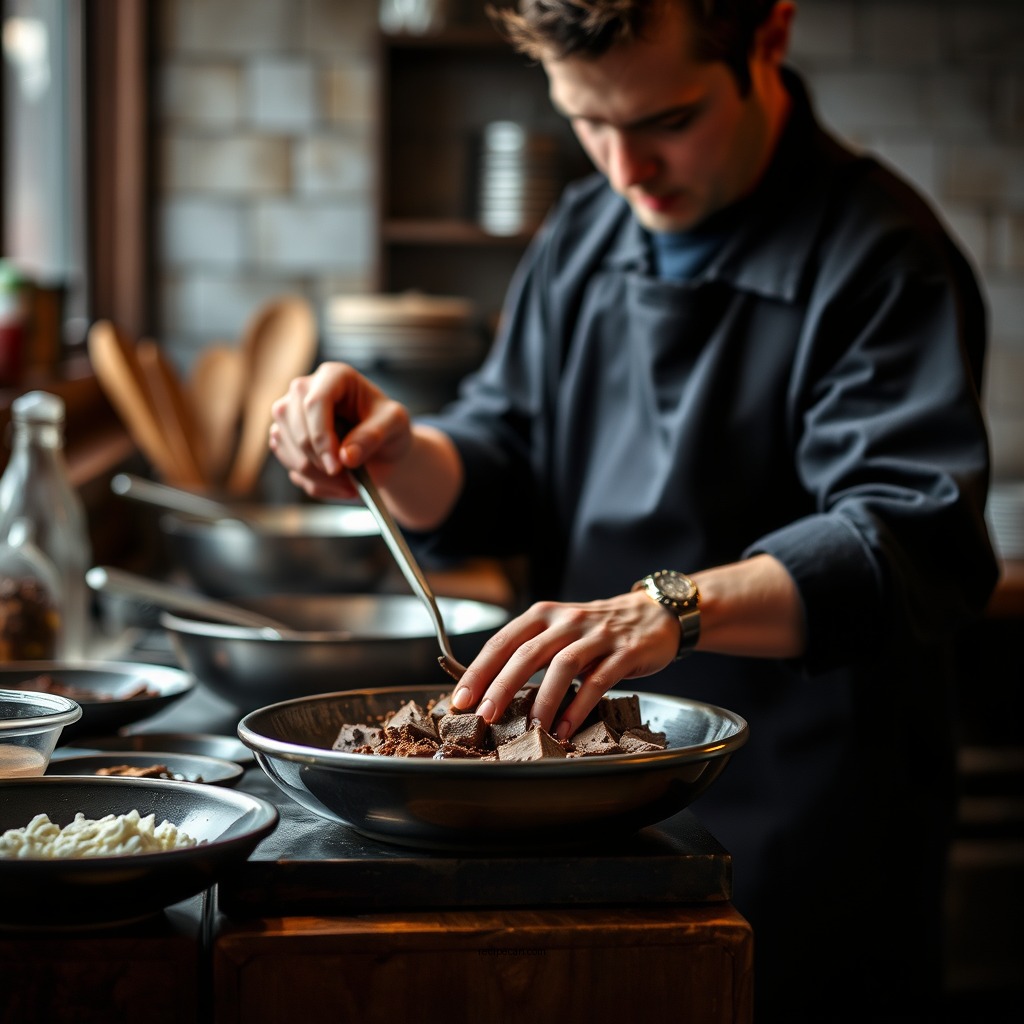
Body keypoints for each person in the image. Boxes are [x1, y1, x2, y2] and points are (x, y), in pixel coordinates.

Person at [269, 1, 999, 1019]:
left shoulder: (880, 255)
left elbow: (903, 534)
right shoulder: (584, 235)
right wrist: (399, 453)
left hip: (805, 824)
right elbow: (504, 455)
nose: (625, 168)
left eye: (666, 120)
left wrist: (666, 608)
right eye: (587, 122)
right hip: (585, 816)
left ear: (768, 39)